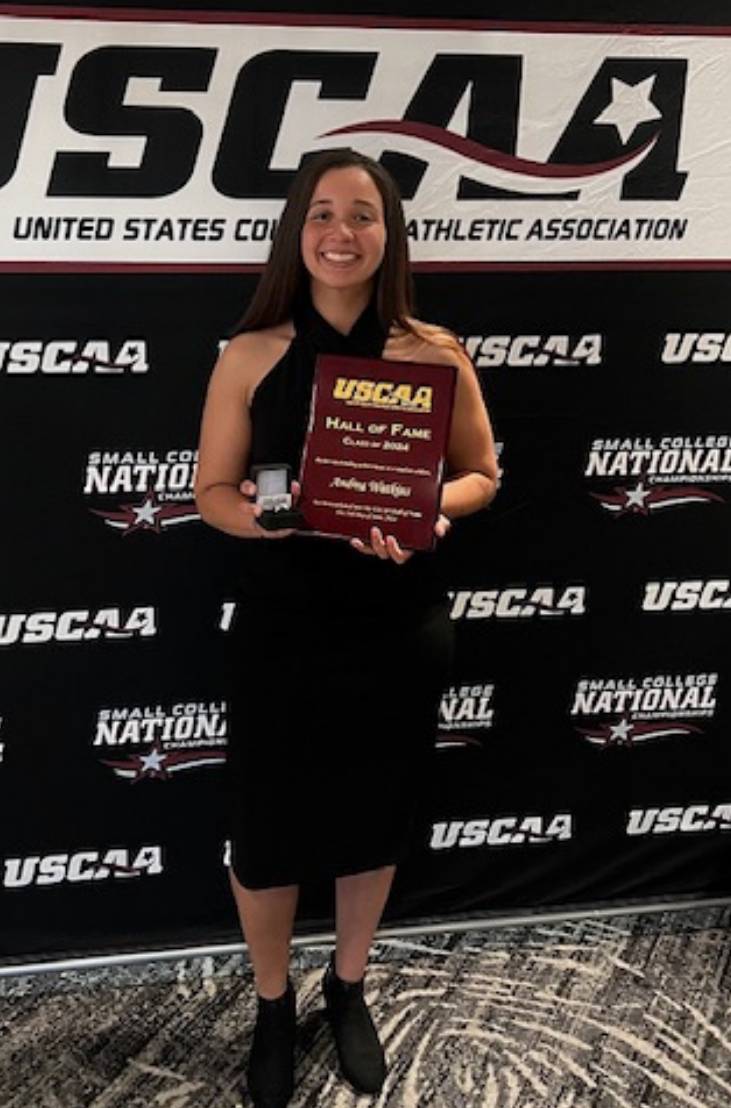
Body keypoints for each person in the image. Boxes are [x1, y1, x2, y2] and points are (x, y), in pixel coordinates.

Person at [194, 147, 499, 1107]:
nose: (340, 233)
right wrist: (278, 515)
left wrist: (432, 513)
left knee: (374, 822)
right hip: (286, 626)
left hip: (395, 625)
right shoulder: (250, 353)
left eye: (362, 215)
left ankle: (350, 986)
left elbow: (483, 473)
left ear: (390, 233)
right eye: (321, 213)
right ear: (296, 231)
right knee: (270, 833)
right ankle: (275, 1004)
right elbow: (210, 495)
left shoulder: (433, 349)